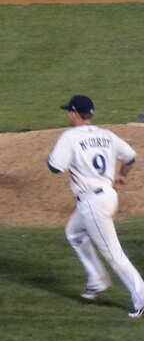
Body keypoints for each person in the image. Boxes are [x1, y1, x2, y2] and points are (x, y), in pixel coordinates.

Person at [47, 95, 144, 318]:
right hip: (106, 196)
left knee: (113, 254)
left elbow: (54, 168)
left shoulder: (70, 137)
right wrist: (121, 176)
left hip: (93, 204)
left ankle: (141, 298)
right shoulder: (106, 135)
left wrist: (48, 159)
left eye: (68, 112)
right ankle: (97, 280)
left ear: (73, 113)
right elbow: (130, 157)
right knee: (74, 232)